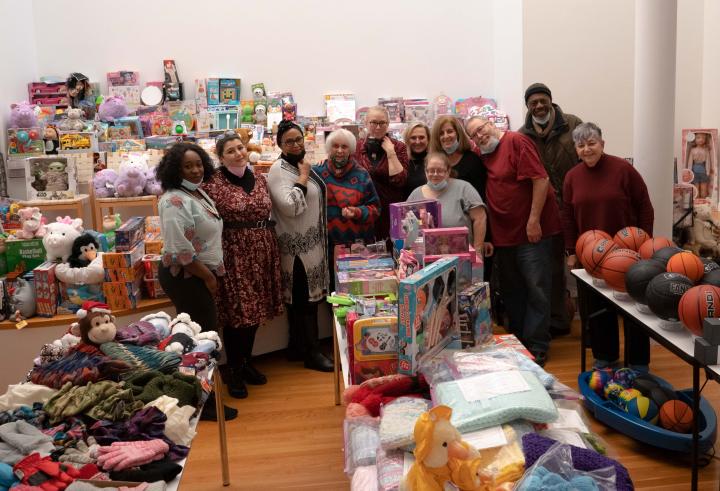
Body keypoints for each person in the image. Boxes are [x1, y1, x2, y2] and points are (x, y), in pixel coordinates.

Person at [465, 116, 562, 367]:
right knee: (512, 292)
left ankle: (537, 345)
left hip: (531, 233)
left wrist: (534, 220)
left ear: (491, 124)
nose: (480, 135)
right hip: (504, 236)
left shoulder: (516, 141)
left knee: (537, 288)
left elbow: (540, 180)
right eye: (474, 134)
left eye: (481, 129)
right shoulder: (484, 154)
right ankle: (518, 343)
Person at [563, 122, 654, 372]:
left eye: (592, 143)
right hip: (592, 256)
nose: (587, 149)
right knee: (599, 310)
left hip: (628, 254)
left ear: (602, 143)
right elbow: (568, 216)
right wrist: (571, 252)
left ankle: (638, 362)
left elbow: (644, 206)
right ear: (576, 149)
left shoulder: (623, 170)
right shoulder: (572, 177)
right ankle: (605, 357)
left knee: (635, 310)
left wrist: (644, 242)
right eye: (581, 145)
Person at [156, 142, 237, 420]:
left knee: (203, 337)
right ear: (174, 170)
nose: (194, 170)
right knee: (202, 341)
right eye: (187, 166)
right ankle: (204, 404)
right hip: (188, 276)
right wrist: (208, 277)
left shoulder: (195, 192)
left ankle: (202, 397)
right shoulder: (173, 200)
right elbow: (180, 250)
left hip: (199, 273)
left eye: (198, 164)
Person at [203, 131, 284, 399]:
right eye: (231, 151)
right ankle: (233, 369)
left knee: (255, 311)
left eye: (240, 147)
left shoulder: (260, 177)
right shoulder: (213, 184)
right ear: (221, 157)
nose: (238, 153)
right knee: (238, 314)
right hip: (234, 252)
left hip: (262, 250)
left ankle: (246, 362)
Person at [267, 120, 333, 372]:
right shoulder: (279, 170)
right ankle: (312, 354)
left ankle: (297, 347)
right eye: (289, 141)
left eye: (298, 139)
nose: (295, 144)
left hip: (311, 246)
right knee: (304, 303)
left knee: (303, 301)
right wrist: (304, 177)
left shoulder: (299, 164)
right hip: (296, 249)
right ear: (280, 145)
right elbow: (291, 206)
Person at [519, 83, 584, 338]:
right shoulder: (523, 135)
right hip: (544, 210)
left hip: (574, 205)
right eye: (533, 102)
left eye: (542, 100)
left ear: (550, 100)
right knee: (550, 269)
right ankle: (555, 320)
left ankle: (584, 321)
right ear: (528, 106)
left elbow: (585, 157)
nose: (538, 106)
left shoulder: (573, 123)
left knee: (579, 263)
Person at [313, 129, 381, 290]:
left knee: (356, 291)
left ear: (350, 149)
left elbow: (376, 209)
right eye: (335, 146)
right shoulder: (317, 172)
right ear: (329, 148)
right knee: (332, 293)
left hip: (356, 248)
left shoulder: (362, 175)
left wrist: (357, 212)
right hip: (326, 248)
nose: (340, 150)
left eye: (344, 146)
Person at [407, 152, 491, 256]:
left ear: (448, 171)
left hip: (461, 256)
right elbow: (407, 228)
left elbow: (480, 218)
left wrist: (477, 251)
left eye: (440, 170)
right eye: (431, 170)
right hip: (426, 260)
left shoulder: (463, 188)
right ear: (425, 171)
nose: (435, 174)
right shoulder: (416, 194)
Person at [354, 106, 408, 242]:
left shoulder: (399, 147)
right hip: (364, 211)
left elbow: (400, 180)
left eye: (382, 123)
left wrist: (391, 152)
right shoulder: (357, 147)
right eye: (373, 122)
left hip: (390, 213)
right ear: (366, 123)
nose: (378, 127)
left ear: (388, 124)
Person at [430, 115, 487, 200]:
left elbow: (480, 196)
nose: (446, 136)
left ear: (458, 133)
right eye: (441, 133)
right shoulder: (434, 163)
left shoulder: (472, 160)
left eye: (450, 131)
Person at [403, 122, 430, 199]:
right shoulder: (402, 162)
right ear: (407, 140)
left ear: (428, 139)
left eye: (421, 137)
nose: (417, 141)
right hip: (407, 209)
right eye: (413, 138)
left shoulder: (434, 162)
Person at [686, 131, 714, 200]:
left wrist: (707, 171)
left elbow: (708, 162)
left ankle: (703, 202)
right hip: (694, 172)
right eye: (698, 137)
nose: (701, 139)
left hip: (703, 171)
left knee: (703, 189)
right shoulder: (693, 150)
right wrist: (689, 171)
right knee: (696, 188)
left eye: (703, 138)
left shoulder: (706, 150)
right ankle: (697, 202)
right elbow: (690, 162)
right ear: (694, 139)